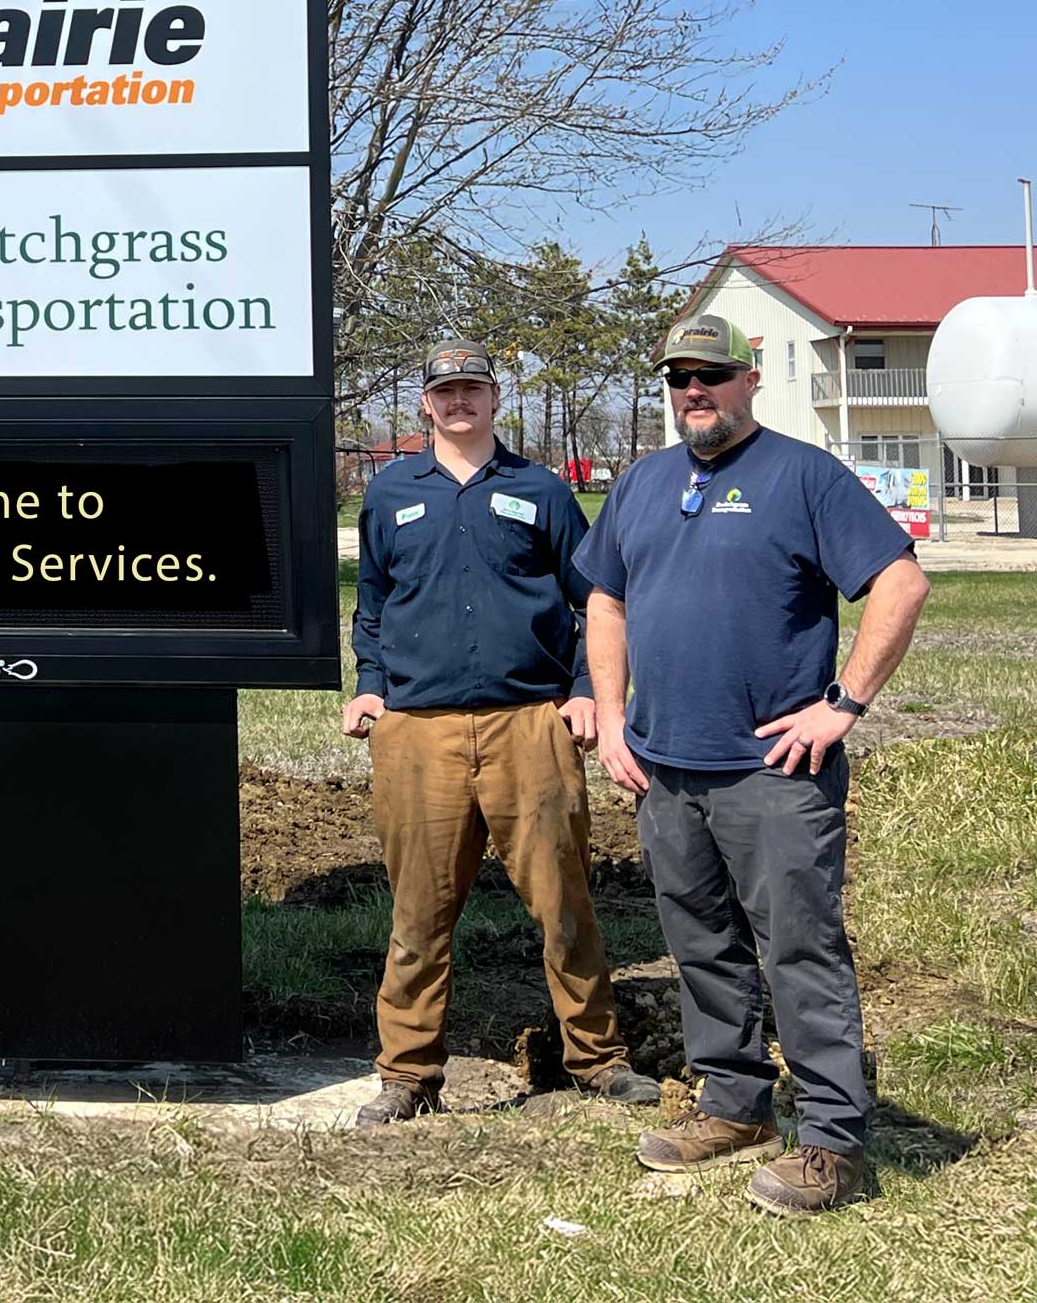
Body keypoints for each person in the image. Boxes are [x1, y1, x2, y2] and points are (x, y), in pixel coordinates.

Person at [576, 313, 930, 1216]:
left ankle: (833, 1139)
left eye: (712, 373)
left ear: (749, 377)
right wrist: (611, 717)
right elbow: (606, 600)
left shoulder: (804, 475)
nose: (694, 391)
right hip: (664, 770)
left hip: (772, 773)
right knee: (701, 944)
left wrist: (843, 703)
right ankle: (734, 1105)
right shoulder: (642, 483)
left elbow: (901, 581)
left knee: (801, 948)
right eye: (679, 377)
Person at [343, 339, 662, 1124]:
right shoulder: (389, 494)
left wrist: (586, 691)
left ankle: (597, 1058)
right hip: (418, 730)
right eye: (445, 390)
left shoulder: (542, 490)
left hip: (531, 726)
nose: (459, 401)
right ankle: (408, 1074)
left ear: (495, 399)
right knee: (418, 913)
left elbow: (597, 600)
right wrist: (370, 684)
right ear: (425, 403)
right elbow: (372, 605)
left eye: (472, 388)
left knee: (563, 902)